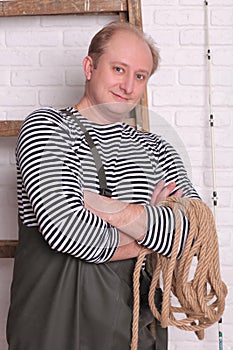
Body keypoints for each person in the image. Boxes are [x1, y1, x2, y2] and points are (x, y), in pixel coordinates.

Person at [7, 21, 200, 350]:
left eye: (139, 76)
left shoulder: (158, 149)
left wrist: (107, 208)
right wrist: (153, 228)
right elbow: (65, 229)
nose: (128, 85)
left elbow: (193, 227)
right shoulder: (48, 129)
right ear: (89, 67)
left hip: (139, 327)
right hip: (55, 326)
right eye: (118, 69)